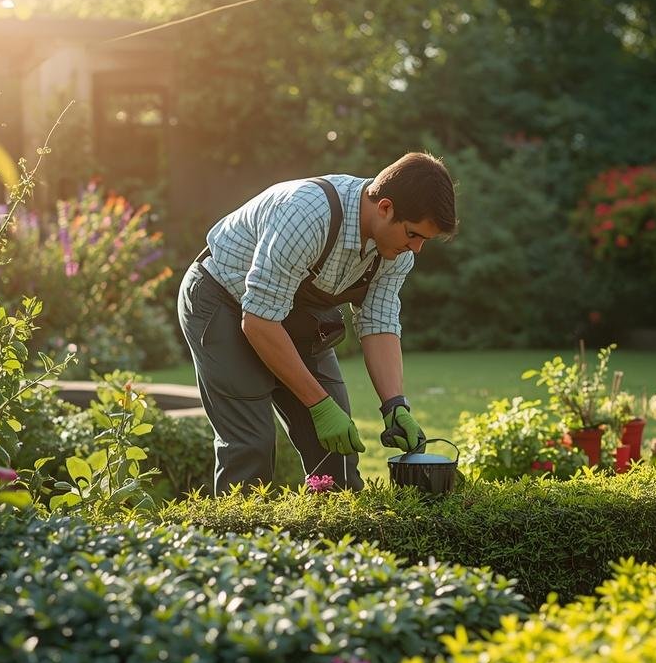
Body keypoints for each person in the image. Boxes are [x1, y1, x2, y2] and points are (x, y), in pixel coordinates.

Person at [177, 152, 456, 493]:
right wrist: (319, 405)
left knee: (337, 452)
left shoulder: (395, 252)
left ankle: (337, 546)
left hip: (289, 312)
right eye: (414, 235)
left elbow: (378, 322)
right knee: (251, 446)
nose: (417, 248)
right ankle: (235, 545)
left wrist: (394, 403)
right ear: (385, 208)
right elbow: (260, 322)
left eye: (424, 240)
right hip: (220, 300)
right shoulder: (308, 215)